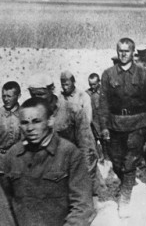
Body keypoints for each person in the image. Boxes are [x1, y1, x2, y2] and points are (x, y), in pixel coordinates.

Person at [0, 97, 94, 226]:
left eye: (36, 121)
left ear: (50, 121)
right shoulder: (12, 155)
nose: (30, 128)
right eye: (24, 123)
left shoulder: (69, 153)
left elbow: (82, 206)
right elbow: (5, 203)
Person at [100, 37, 146, 217]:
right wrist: (104, 126)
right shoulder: (108, 74)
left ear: (133, 52)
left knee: (130, 161)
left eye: (127, 51)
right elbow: (103, 103)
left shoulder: (143, 73)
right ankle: (127, 183)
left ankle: (124, 200)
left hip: (137, 123)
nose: (123, 54)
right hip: (115, 123)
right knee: (116, 162)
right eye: (120, 51)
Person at [28, 73, 99, 208]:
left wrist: (82, 183)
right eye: (33, 95)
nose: (37, 99)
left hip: (72, 175)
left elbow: (87, 149)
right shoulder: (30, 115)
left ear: (52, 89)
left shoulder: (73, 110)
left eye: (41, 94)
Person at [0, 81, 22, 165]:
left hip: (18, 160)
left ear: (18, 96)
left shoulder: (24, 114)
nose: (6, 99)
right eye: (3, 96)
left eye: (9, 96)